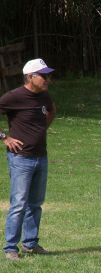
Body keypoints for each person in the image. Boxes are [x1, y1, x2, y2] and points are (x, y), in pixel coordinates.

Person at [0, 58, 56, 260]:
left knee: (36, 203)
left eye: (48, 76)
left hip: (41, 157)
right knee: (19, 204)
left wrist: (40, 130)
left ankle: (30, 244)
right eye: (43, 76)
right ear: (30, 77)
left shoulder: (44, 96)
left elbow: (51, 112)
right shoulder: (14, 97)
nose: (47, 80)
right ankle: (10, 248)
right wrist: (5, 138)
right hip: (21, 159)